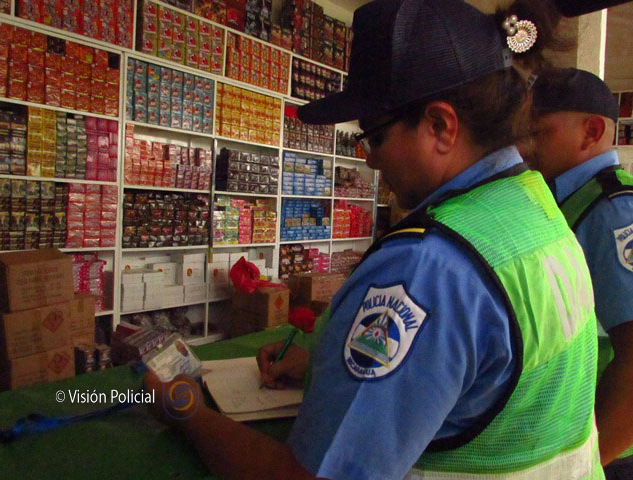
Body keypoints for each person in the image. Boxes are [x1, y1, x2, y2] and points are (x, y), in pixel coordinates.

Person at [144, 0, 605, 478]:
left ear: (440, 126)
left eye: (375, 136)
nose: (369, 159)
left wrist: (186, 411)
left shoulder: (426, 267)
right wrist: (326, 369)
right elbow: (486, 375)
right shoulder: (536, 210)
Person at [527, 67, 633, 479]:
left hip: (608, 452)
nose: (525, 148)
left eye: (538, 133)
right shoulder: (571, 200)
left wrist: (586, 467)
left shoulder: (612, 211)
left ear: (591, 132)